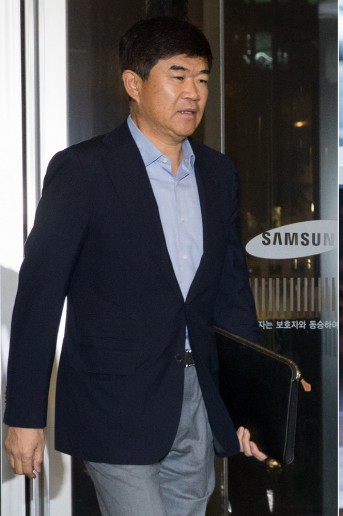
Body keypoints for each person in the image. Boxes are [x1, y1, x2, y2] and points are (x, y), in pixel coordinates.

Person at [3, 16, 266, 515]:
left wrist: (250, 404)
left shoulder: (217, 174)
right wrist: (24, 415)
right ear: (134, 83)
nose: (193, 93)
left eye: (202, 79)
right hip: (113, 402)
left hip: (198, 398)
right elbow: (40, 296)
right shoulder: (83, 170)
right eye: (177, 75)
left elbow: (232, 294)